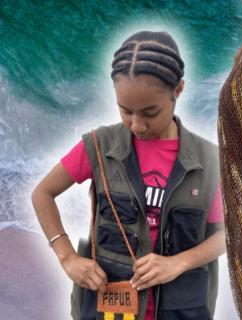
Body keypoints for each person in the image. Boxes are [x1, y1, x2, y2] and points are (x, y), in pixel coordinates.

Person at [31, 31, 225, 320]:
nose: (137, 125)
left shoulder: (210, 162)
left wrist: (179, 263)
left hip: (180, 311)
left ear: (179, 90)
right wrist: (67, 257)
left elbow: (231, 234)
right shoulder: (98, 146)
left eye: (150, 113)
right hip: (108, 311)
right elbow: (42, 194)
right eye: (126, 111)